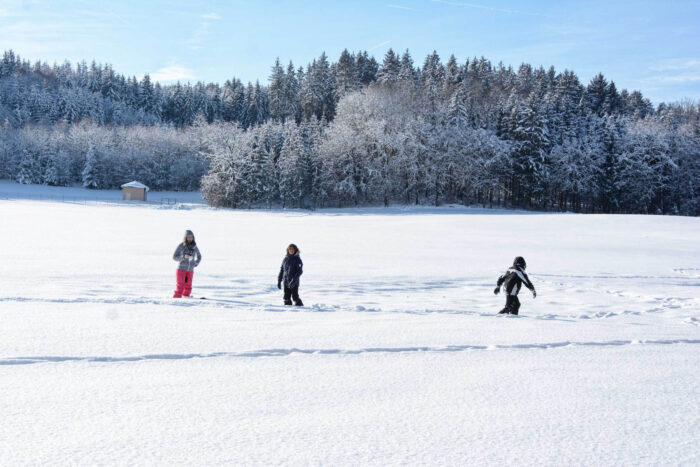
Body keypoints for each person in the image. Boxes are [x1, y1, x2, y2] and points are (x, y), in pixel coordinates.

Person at [173, 230, 202, 298]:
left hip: (190, 270)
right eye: (188, 237)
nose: (190, 238)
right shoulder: (181, 246)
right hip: (181, 269)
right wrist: (183, 257)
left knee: (188, 287)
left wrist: (196, 263)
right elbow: (174, 257)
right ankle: (176, 300)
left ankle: (186, 300)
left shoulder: (194, 246)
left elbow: (199, 256)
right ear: (185, 238)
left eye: (191, 237)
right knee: (180, 287)